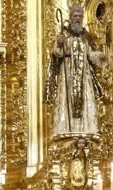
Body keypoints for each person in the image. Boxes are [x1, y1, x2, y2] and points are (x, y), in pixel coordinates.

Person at [45, 4, 106, 137]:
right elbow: (57, 53)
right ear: (70, 17)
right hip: (68, 74)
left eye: (80, 16)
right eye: (75, 16)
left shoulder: (86, 37)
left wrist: (100, 55)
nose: (77, 18)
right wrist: (59, 44)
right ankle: (66, 128)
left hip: (84, 76)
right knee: (66, 102)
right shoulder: (64, 35)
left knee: (86, 100)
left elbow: (90, 55)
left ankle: (86, 129)